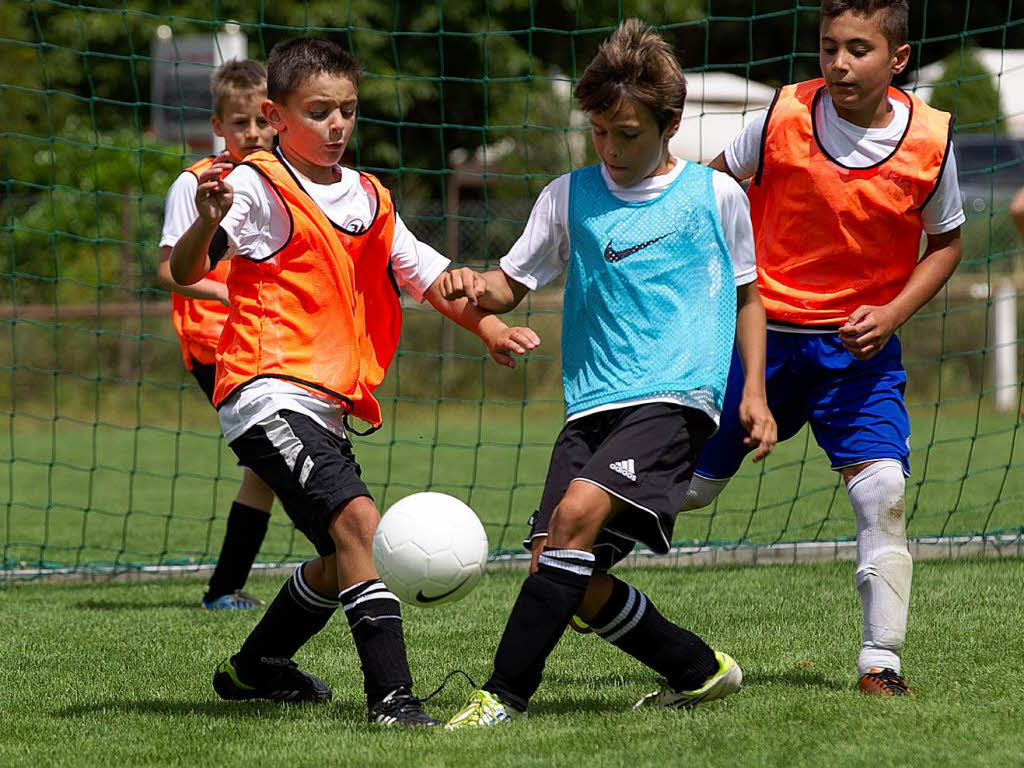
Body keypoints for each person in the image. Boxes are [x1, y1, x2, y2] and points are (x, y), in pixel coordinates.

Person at [170, 37, 538, 725]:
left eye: (347, 111)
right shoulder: (255, 183)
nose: (337, 125)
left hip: (327, 402)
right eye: (319, 112)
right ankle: (392, 700)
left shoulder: (370, 196)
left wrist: (488, 328)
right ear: (278, 116)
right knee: (360, 524)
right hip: (265, 387)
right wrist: (207, 221)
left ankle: (255, 669)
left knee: (344, 559)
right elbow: (190, 269)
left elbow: (426, 275)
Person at [438, 19, 774, 728]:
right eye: (599, 132)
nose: (611, 148)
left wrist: (756, 393)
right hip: (590, 405)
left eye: (627, 133)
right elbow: (510, 284)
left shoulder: (716, 200)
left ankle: (499, 697)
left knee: (575, 518)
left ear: (669, 123)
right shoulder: (567, 196)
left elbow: (748, 294)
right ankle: (697, 668)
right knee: (560, 573)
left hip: (677, 397)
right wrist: (474, 287)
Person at [683, 0, 965, 696]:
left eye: (859, 49)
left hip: (858, 357)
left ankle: (881, 665)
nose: (840, 63)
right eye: (829, 46)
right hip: (761, 343)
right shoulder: (781, 115)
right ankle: (579, 564)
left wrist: (894, 311)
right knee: (689, 490)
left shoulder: (931, 139)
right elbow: (712, 195)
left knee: (883, 491)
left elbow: (947, 242)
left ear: (897, 59)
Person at [157, 59, 278, 611]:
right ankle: (339, 561)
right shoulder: (197, 183)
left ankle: (226, 589)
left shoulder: (284, 178)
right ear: (218, 125)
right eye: (238, 124)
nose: (251, 134)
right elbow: (168, 270)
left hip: (266, 341)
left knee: (269, 465)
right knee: (272, 460)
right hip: (214, 344)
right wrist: (223, 293)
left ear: (275, 119)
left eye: (260, 122)